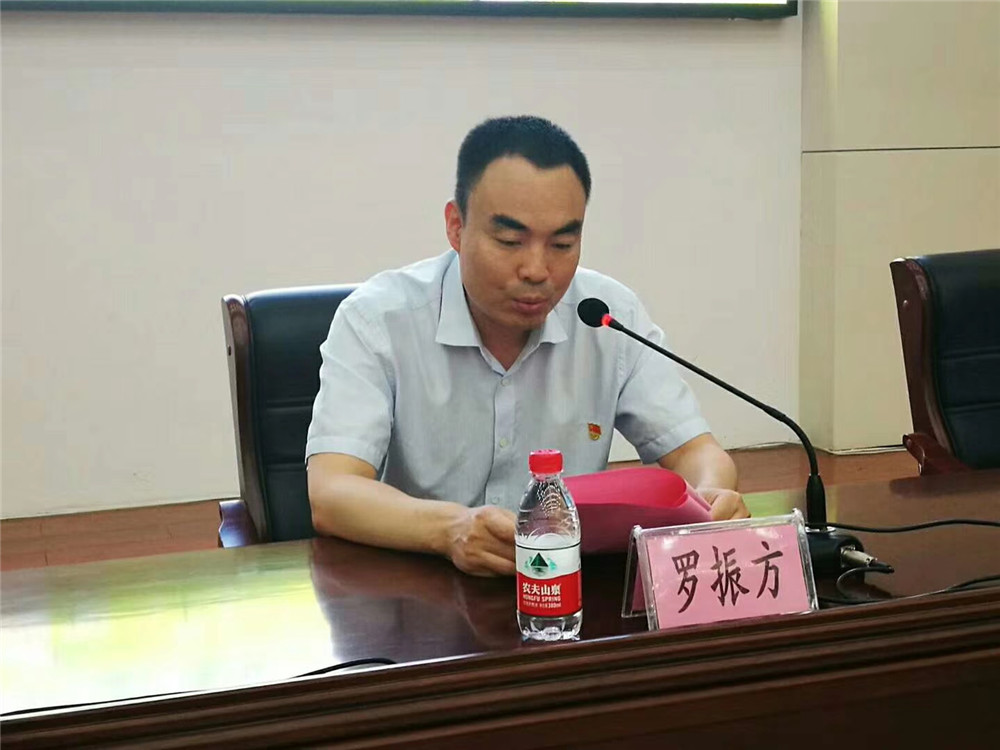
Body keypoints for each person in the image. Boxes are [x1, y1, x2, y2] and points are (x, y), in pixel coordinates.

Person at [306, 115, 749, 578]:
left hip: (569, 591)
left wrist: (711, 496)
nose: (537, 270)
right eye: (510, 241)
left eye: (562, 243)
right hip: (417, 587)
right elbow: (332, 491)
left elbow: (697, 452)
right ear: (456, 226)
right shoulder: (378, 320)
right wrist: (449, 529)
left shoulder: (608, 317)